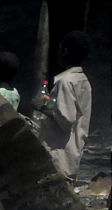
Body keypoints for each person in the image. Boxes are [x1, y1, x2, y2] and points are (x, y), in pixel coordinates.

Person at [38, 31, 93, 182]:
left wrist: (44, 108)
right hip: (72, 157)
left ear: (64, 51)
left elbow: (66, 119)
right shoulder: (83, 81)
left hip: (58, 158)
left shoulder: (65, 82)